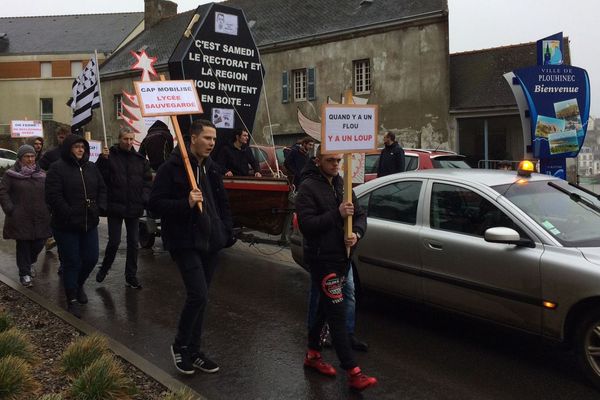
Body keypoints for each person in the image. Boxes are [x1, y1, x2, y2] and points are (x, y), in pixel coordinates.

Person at [149, 119, 234, 375]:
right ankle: (180, 345)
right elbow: (154, 205)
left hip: (210, 240)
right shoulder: (171, 169)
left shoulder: (212, 168)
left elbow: (222, 203)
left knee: (203, 298)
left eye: (214, 139)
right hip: (184, 241)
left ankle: (195, 351)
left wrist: (226, 230)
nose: (211, 143)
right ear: (193, 138)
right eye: (207, 138)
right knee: (198, 294)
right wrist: (185, 202)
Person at [295, 147, 377, 391]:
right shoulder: (307, 188)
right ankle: (353, 371)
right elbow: (307, 226)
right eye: (330, 160)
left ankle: (312, 355)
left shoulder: (343, 184)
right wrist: (337, 214)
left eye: (338, 160)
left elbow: (360, 215)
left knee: (323, 309)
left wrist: (356, 233)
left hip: (342, 259)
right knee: (337, 313)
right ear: (318, 160)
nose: (335, 165)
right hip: (322, 260)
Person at [45, 134, 106, 318]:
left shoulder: (92, 168)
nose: (80, 150)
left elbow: (102, 189)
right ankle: (71, 297)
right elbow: (53, 196)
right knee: (71, 261)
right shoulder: (57, 169)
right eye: (76, 146)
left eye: (83, 147)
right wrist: (68, 212)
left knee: (91, 258)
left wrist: (99, 207)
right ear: (68, 148)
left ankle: (78, 284)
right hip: (66, 225)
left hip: (89, 223)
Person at [95, 127, 152, 288]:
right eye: (125, 139)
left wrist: (144, 198)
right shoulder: (110, 156)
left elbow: (147, 182)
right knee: (114, 241)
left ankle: (131, 275)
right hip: (115, 206)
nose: (128, 142)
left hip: (134, 206)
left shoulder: (140, 160)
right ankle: (105, 268)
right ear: (119, 139)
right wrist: (103, 160)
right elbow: (100, 177)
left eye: (131, 139)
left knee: (133, 243)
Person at [0, 145, 52, 287]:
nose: (30, 159)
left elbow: (48, 192)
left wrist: (49, 207)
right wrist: (10, 209)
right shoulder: (10, 174)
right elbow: (3, 192)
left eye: (32, 156)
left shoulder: (41, 174)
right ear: (20, 158)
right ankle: (25, 274)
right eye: (26, 156)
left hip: (40, 217)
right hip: (20, 218)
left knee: (39, 243)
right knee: (23, 245)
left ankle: (29, 263)